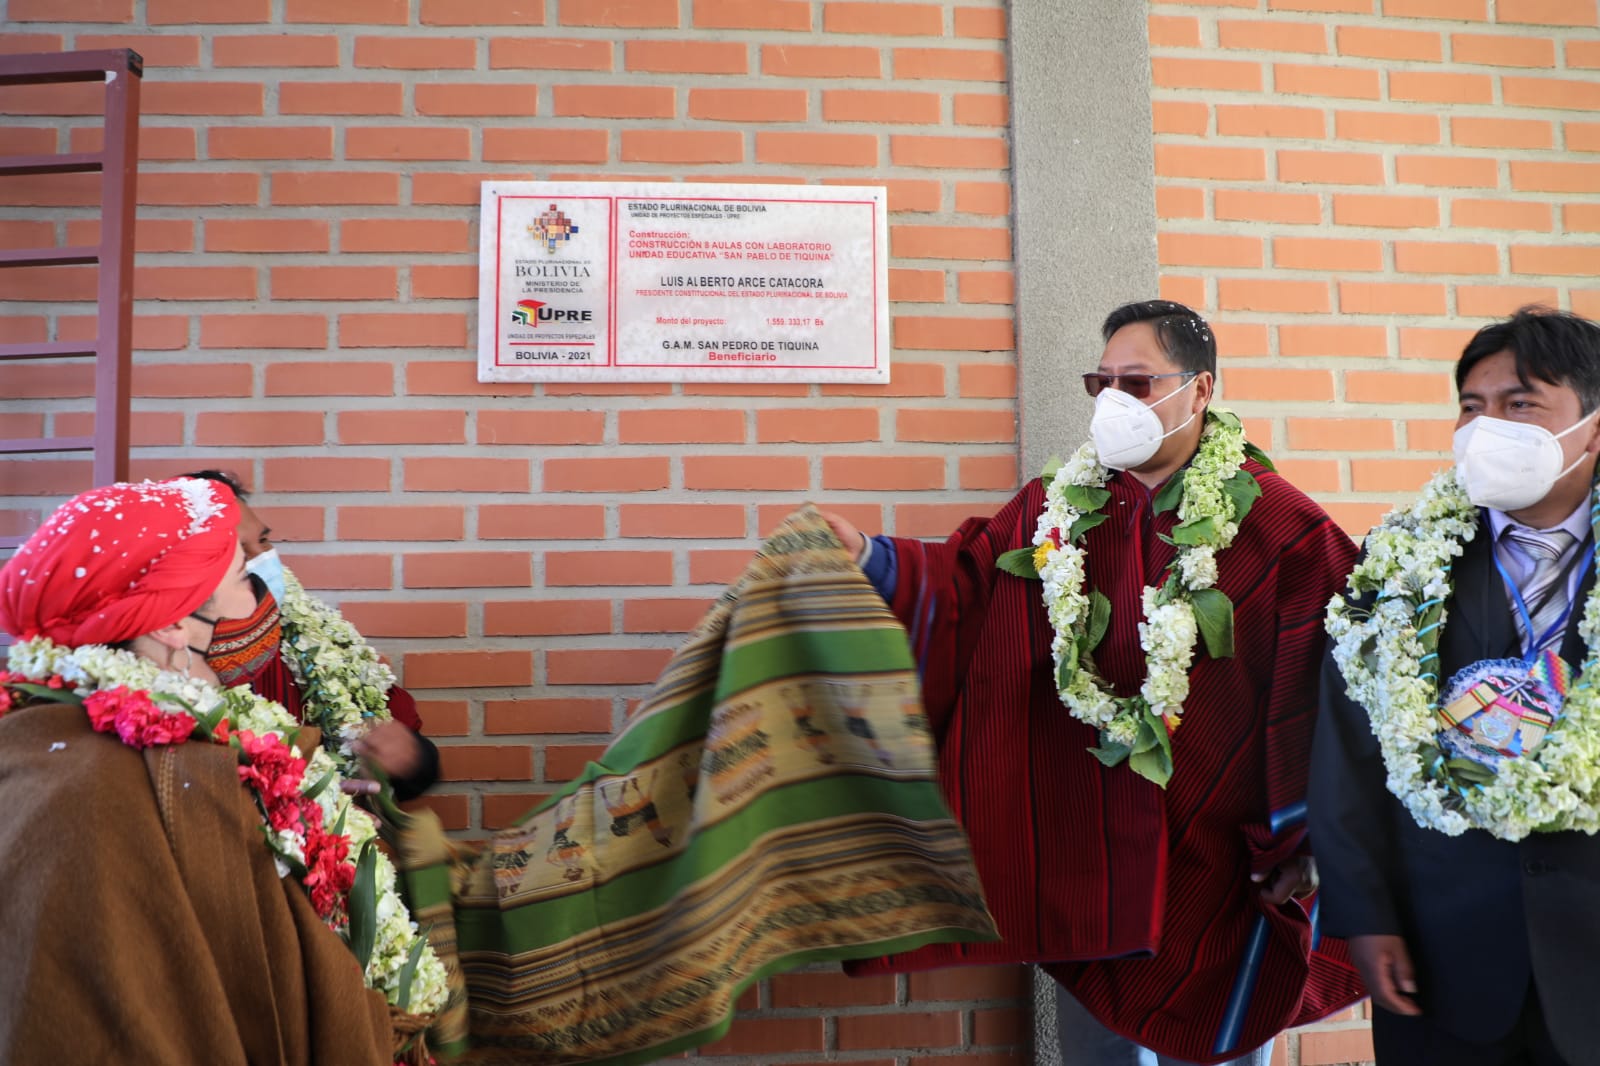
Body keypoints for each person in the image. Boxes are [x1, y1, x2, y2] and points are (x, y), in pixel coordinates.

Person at [830, 300, 1365, 1065]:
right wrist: (870, 560)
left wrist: (1313, 840)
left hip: (1221, 866)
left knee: (1216, 1039)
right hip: (1093, 851)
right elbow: (970, 588)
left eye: (1138, 382)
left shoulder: (1279, 526)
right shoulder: (1060, 508)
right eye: (1101, 381)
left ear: (1201, 390)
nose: (1115, 401)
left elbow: (1340, 683)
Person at [0, 478, 444, 1063]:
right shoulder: (122, 788)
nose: (264, 578)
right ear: (169, 625)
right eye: (240, 573)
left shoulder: (56, 735)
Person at [1311, 307, 1600, 1066]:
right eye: (1471, 407)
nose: (1486, 427)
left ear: (1593, 427)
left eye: (1520, 404)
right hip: (1445, 954)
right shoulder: (1399, 563)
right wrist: (1364, 918)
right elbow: (1347, 750)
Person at [182, 469, 438, 800]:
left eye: (262, 540)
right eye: (238, 552)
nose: (262, 558)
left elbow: (406, 748)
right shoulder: (165, 671)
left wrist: (406, 758)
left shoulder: (305, 629)